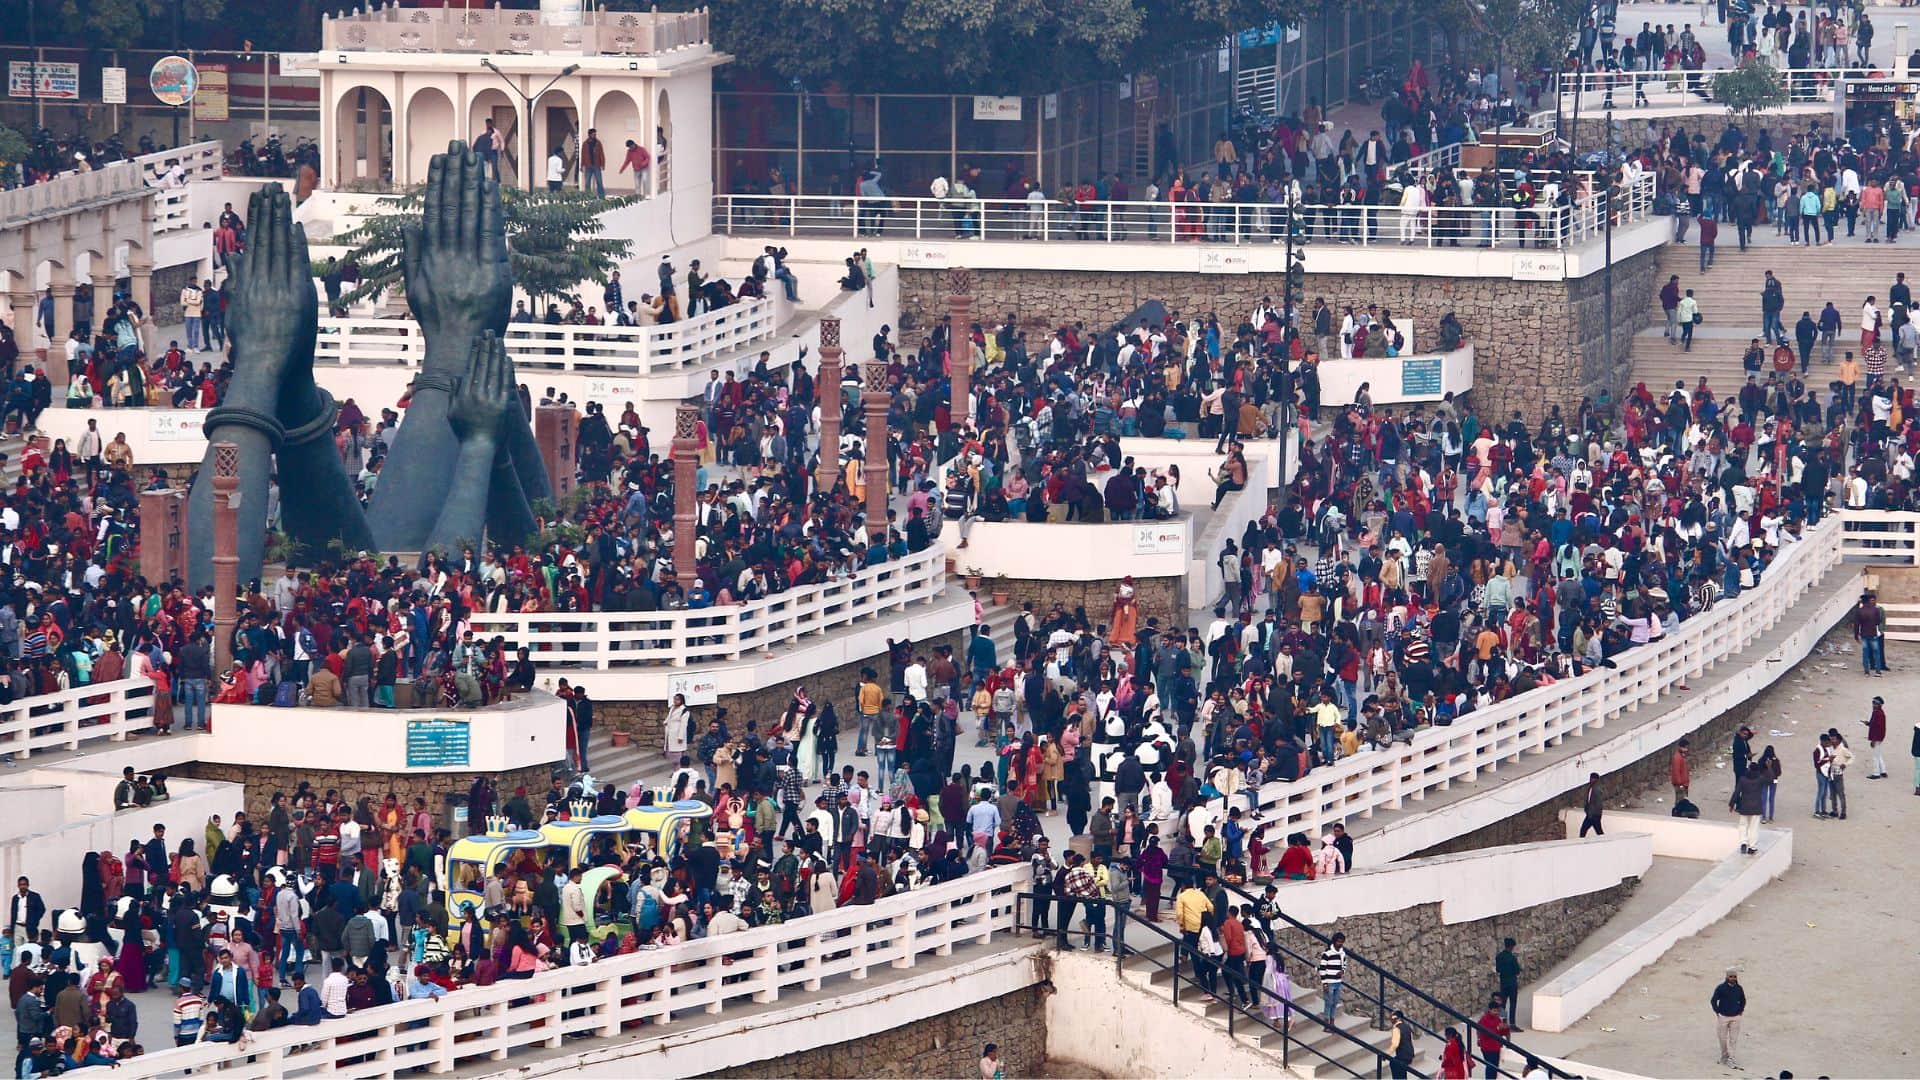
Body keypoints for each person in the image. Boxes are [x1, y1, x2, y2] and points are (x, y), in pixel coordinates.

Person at [1711, 967, 1745, 1068]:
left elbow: (1743, 1000)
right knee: (1722, 1038)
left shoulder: (1739, 988)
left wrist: (1740, 1011)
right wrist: (1717, 1012)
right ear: (1727, 977)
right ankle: (1724, 1056)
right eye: (1731, 976)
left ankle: (1731, 1058)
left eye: (1734, 976)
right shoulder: (1721, 988)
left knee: (1733, 1039)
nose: (1733, 978)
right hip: (1723, 1017)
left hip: (1735, 1017)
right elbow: (1713, 1000)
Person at [1317, 931, 1347, 1026]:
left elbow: (1344, 965)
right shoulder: (1327, 954)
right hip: (1329, 982)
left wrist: (1342, 971)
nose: (1340, 944)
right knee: (1328, 1003)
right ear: (1334, 942)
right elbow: (1322, 969)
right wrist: (1324, 983)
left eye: (1341, 942)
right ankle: (1327, 1023)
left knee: (1334, 1003)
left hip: (1337, 982)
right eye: (1338, 942)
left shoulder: (1342, 954)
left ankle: (1332, 1022)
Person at [1494, 938, 1521, 1028]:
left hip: (1503, 982)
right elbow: (1517, 971)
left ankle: (1503, 1022)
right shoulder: (1512, 958)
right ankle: (1512, 1024)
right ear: (1511, 946)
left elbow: (1498, 969)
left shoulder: (1499, 956)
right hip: (1512, 982)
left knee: (1503, 1003)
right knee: (1513, 1003)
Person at [1577, 772, 1604, 836]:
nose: (1590, 780)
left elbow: (1598, 803)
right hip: (1591, 814)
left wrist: (1592, 813)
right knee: (1598, 831)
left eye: (1592, 779)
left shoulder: (1597, 789)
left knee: (1584, 830)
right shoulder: (1592, 788)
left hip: (1593, 815)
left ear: (1596, 779)